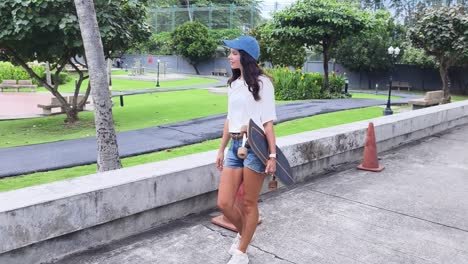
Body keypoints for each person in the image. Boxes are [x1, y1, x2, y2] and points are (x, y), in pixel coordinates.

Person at [216, 36, 278, 264]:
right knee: (224, 203)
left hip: (255, 148)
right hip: (234, 146)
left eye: (233, 52)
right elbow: (229, 118)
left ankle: (241, 252)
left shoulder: (263, 83)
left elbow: (268, 122)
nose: (229, 57)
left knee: (249, 203)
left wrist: (272, 155)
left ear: (245, 55)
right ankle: (245, 235)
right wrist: (221, 149)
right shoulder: (233, 83)